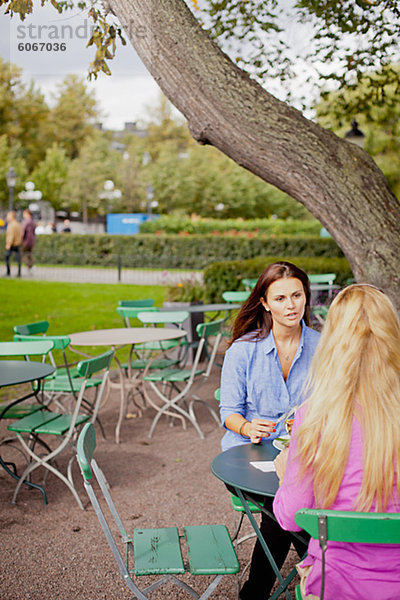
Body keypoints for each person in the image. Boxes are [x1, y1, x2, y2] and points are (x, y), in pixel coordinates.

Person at [273, 284, 400, 600]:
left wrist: (285, 472)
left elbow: (290, 517)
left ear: (334, 343)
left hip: (337, 585)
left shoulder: (315, 417)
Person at [219, 261, 320, 600]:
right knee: (282, 504)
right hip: (247, 456)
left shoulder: (325, 348)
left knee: (280, 510)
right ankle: (323, 567)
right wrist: (248, 426)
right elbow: (228, 413)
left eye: (296, 295)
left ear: (306, 297)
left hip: (306, 455)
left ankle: (257, 592)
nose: (290, 305)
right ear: (264, 302)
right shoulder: (243, 350)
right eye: (280, 298)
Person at [5, 210, 22, 277]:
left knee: (7, 258)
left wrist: (9, 243)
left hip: (12, 244)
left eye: (8, 215)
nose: (7, 217)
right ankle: (19, 273)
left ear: (12, 216)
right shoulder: (18, 224)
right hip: (18, 244)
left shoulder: (11, 224)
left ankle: (8, 272)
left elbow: (11, 235)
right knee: (18, 259)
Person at [21, 208, 36, 273]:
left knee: (23, 255)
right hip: (31, 241)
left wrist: (21, 240)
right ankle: (30, 268)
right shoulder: (33, 221)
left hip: (26, 241)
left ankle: (30, 266)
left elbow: (23, 232)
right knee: (29, 255)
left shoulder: (26, 222)